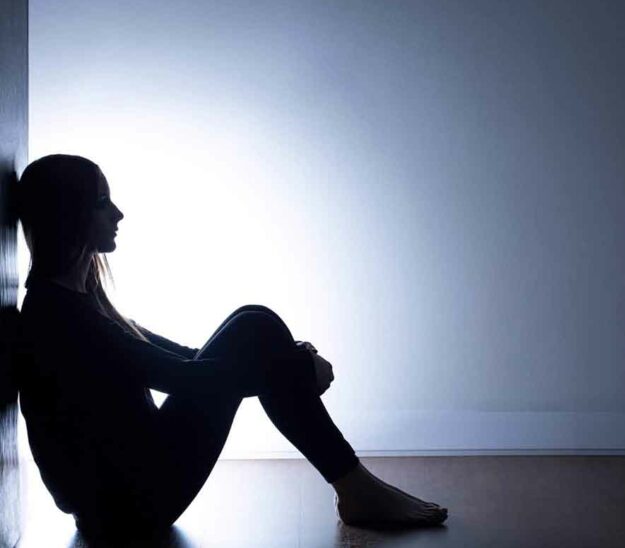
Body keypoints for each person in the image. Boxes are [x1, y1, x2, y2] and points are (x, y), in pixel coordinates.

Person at [14, 154, 448, 542]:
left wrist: (285, 357)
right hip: (126, 510)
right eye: (102, 202)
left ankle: (355, 488)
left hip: (129, 491)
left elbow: (178, 357)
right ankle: (356, 488)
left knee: (252, 324)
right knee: (255, 328)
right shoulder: (60, 318)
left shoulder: (75, 299)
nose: (119, 213)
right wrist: (295, 368)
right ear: (68, 215)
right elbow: (186, 379)